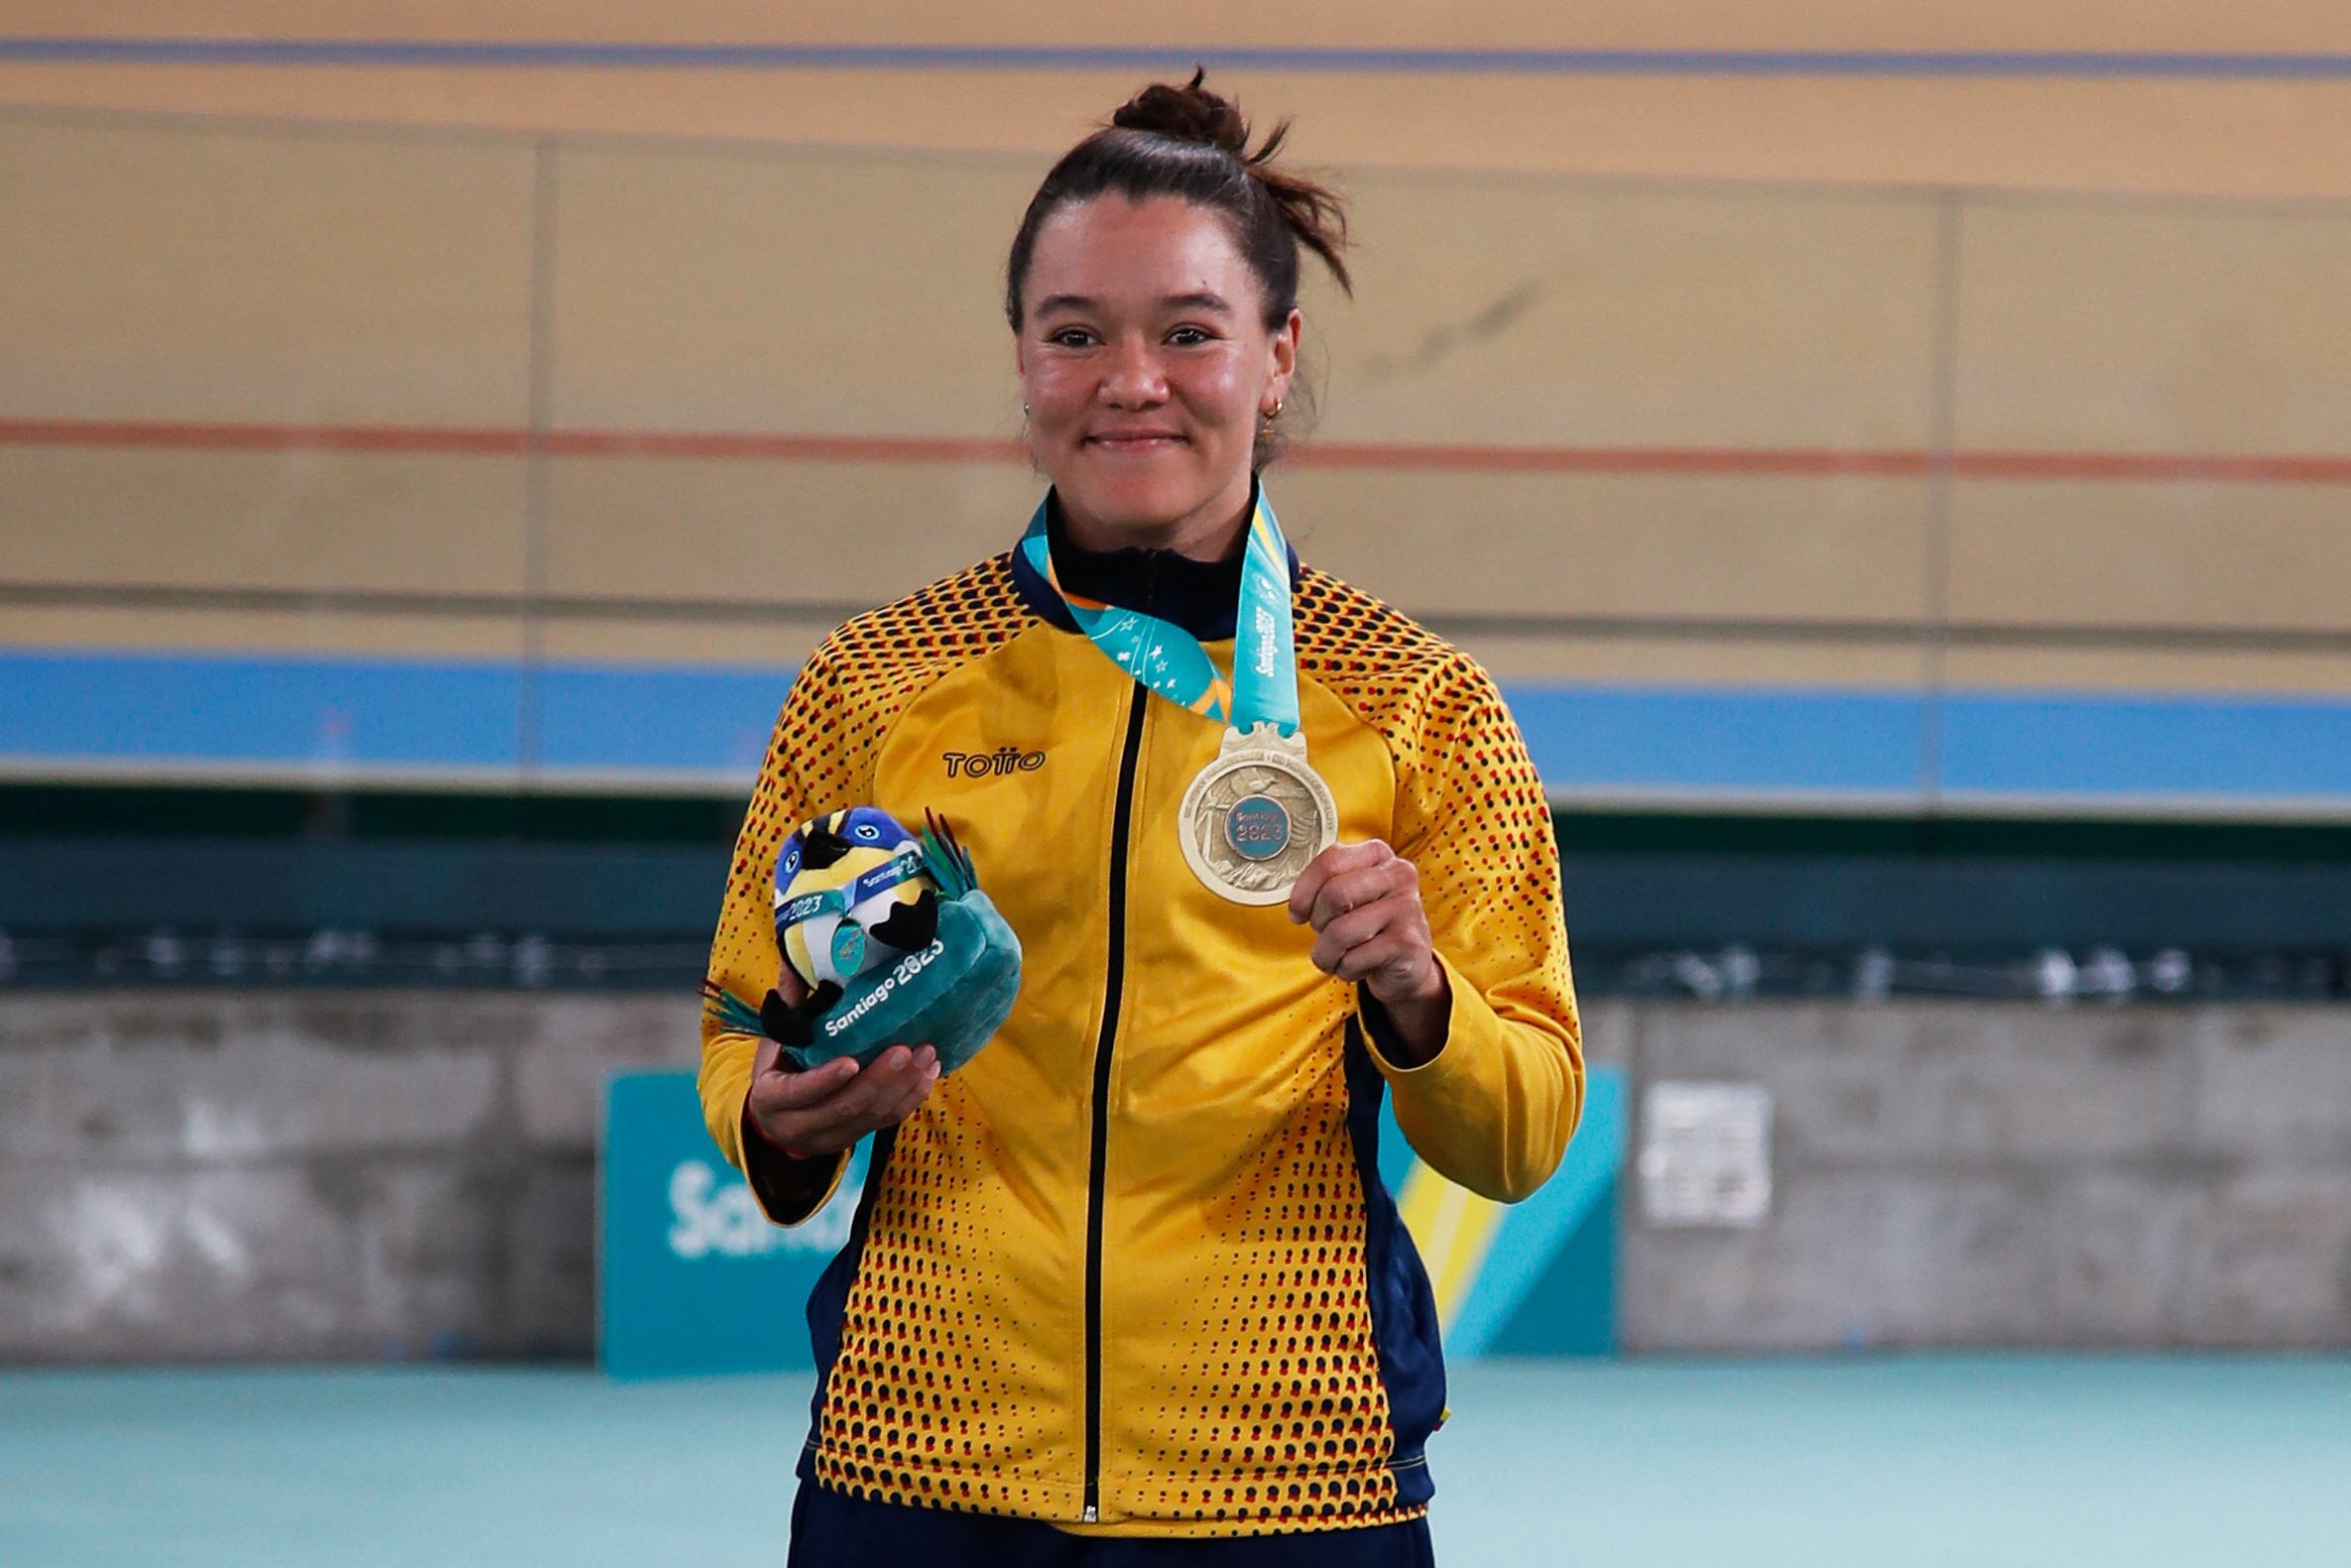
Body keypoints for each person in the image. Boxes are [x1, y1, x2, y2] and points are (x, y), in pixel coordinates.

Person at [697, 71, 1582, 1566]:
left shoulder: (1421, 704)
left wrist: (1417, 994)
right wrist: (778, 1121)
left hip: (1289, 1482)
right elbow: (743, 1024)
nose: (1130, 380)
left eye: (1187, 331)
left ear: (1277, 356)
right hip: (919, 1464)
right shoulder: (874, 681)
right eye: (1075, 335)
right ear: (1022, 361)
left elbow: (1521, 1129)